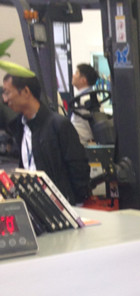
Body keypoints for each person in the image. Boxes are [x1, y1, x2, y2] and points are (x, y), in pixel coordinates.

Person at [2, 73, 90, 205]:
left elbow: (78, 168)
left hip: (62, 206)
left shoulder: (58, 125)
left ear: (26, 91)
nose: (4, 99)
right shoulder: (19, 128)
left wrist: (77, 204)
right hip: (34, 205)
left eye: (7, 93)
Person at [70, 63, 99, 146]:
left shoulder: (85, 100)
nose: (73, 75)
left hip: (84, 144)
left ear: (83, 80)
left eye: (76, 73)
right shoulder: (90, 97)